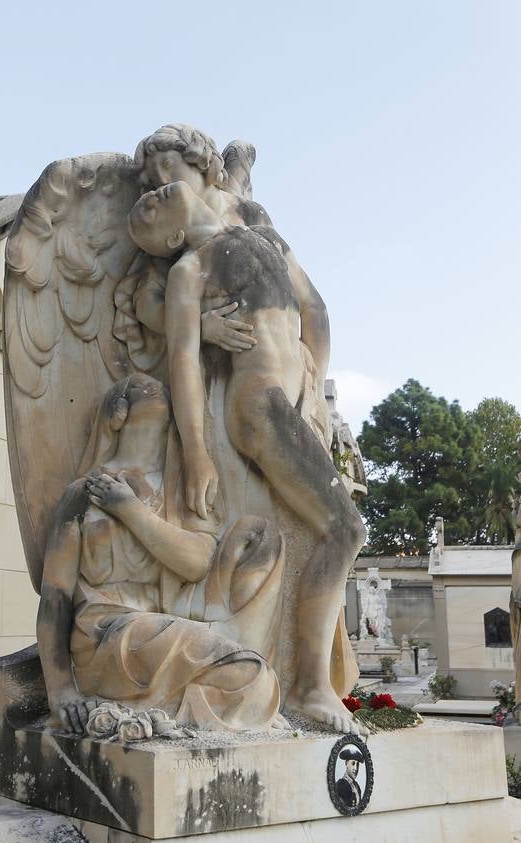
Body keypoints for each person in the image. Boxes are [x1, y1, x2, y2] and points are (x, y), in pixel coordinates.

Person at [127, 182, 367, 735]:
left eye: (156, 195)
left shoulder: (265, 239)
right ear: (174, 237)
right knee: (346, 531)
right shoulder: (191, 269)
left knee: (343, 532)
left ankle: (310, 682)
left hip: (286, 401)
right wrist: (197, 454)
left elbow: (317, 313)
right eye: (148, 210)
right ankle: (310, 686)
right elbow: (184, 361)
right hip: (254, 405)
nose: (153, 196)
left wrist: (314, 393)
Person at [38, 373, 286, 735]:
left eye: (160, 387)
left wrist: (129, 510)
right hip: (106, 634)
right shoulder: (82, 493)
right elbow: (54, 598)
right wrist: (61, 691)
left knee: (261, 537)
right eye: (137, 386)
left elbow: (197, 563)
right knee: (251, 677)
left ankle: (177, 707)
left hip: (166, 618)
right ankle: (179, 711)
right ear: (116, 411)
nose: (153, 386)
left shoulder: (178, 491)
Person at [134, 124, 331, 446]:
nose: (164, 181)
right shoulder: (168, 227)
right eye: (155, 178)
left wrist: (317, 388)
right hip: (216, 381)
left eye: (170, 166)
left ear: (203, 162)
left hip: (283, 373)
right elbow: (145, 301)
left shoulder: (247, 214)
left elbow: (312, 305)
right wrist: (198, 327)